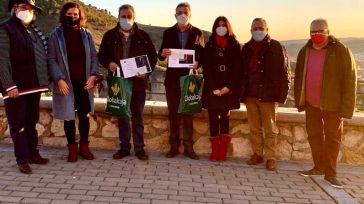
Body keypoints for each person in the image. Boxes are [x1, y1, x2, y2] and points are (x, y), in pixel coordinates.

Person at [295, 18, 357, 188]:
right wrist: (300, 101)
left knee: (333, 139)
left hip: (333, 105)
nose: (317, 35)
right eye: (313, 31)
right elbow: (299, 76)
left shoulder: (341, 51)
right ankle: (318, 167)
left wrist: (346, 109)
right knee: (314, 136)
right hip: (311, 104)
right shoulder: (305, 51)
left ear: (328, 31)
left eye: (320, 31)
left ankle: (331, 174)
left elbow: (350, 80)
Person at [98, 4, 157, 161]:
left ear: (134, 17)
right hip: (119, 83)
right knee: (122, 116)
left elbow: (152, 57)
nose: (126, 19)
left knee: (137, 118)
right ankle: (124, 148)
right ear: (118, 17)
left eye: (129, 16)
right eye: (123, 16)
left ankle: (140, 149)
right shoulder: (109, 35)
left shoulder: (143, 36)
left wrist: (145, 71)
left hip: (137, 84)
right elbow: (102, 55)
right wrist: (109, 63)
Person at [0, 0, 50, 174]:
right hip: (15, 88)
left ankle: (33, 154)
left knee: (31, 122)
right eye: (23, 7)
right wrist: (9, 85)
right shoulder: (5, 28)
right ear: (15, 9)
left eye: (30, 8)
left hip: (34, 86)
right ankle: (22, 159)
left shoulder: (33, 31)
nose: (27, 10)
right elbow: (2, 59)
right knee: (18, 125)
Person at [48, 2, 99, 162]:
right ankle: (72, 149)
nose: (73, 17)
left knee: (84, 116)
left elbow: (94, 57)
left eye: (76, 14)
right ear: (64, 15)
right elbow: (51, 59)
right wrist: (59, 79)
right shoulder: (55, 35)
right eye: (70, 14)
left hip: (84, 83)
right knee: (68, 117)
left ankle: (84, 147)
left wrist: (93, 75)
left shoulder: (86, 34)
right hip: (66, 83)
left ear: (80, 16)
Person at [240, 18, 290, 171]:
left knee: (270, 129)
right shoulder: (247, 48)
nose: (258, 31)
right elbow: (241, 72)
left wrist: (283, 95)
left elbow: (284, 72)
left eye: (261, 28)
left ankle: (271, 158)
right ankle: (257, 154)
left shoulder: (276, 47)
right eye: (255, 28)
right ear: (251, 31)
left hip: (268, 95)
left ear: (267, 30)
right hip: (250, 94)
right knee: (254, 128)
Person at [158, 2, 204, 160]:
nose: (182, 15)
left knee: (188, 114)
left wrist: (199, 63)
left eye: (185, 12)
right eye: (179, 12)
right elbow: (161, 54)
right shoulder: (168, 32)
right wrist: (162, 53)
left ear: (190, 14)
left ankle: (189, 148)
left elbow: (203, 55)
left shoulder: (197, 32)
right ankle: (174, 147)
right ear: (175, 15)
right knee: (173, 115)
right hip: (172, 80)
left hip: (189, 80)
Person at [202, 16, 241, 161]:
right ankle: (215, 151)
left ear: (228, 27)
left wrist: (228, 87)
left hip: (228, 89)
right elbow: (207, 68)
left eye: (223, 25)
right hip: (212, 88)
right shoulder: (210, 45)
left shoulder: (235, 45)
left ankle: (222, 152)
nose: (221, 27)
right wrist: (214, 88)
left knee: (225, 118)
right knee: (213, 119)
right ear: (214, 28)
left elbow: (237, 68)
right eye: (218, 25)